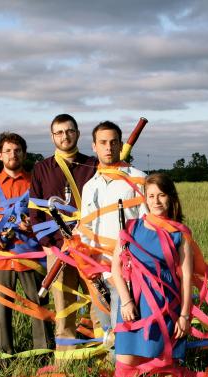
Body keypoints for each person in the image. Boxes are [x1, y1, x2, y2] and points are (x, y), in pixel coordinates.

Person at [110, 173, 193, 377]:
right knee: (125, 363)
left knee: (164, 363)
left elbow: (187, 278)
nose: (156, 201)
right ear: (145, 199)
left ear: (171, 198)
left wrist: (184, 315)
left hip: (166, 306)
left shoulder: (180, 234)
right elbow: (115, 267)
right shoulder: (131, 227)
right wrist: (125, 300)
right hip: (133, 306)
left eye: (161, 195)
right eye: (151, 196)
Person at [0, 132, 50, 362]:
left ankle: (42, 354)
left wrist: (32, 226)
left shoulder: (36, 184)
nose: (13, 154)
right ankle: (3, 356)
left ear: (24, 154)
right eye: (8, 151)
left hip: (31, 257)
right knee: (0, 309)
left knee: (38, 306)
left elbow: (47, 220)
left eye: (17, 150)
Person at [29, 114, 98, 359]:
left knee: (99, 302)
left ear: (77, 133)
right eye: (59, 132)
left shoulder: (93, 165)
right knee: (63, 306)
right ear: (52, 136)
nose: (64, 136)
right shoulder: (41, 168)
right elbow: (34, 210)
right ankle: (67, 360)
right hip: (58, 250)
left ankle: (101, 354)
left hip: (91, 248)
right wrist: (47, 245)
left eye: (69, 131)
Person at [80, 121, 147, 348]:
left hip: (128, 268)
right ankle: (114, 369)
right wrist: (87, 262)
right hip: (98, 268)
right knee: (107, 326)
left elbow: (148, 224)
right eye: (103, 143)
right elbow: (85, 228)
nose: (108, 147)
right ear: (94, 147)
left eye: (113, 142)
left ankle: (125, 375)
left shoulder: (138, 178)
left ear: (120, 145)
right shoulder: (89, 186)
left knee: (125, 325)